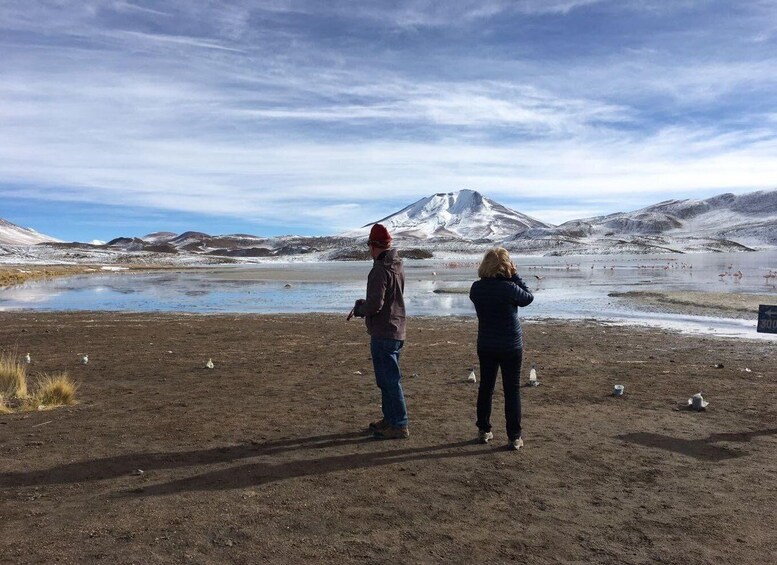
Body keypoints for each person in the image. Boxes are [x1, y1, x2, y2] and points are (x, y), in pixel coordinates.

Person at [469, 247, 534, 451]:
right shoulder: (508, 288)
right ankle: (514, 437)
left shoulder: (476, 288)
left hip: (486, 344)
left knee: (486, 387)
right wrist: (515, 276)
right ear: (506, 266)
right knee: (511, 390)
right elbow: (528, 298)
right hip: (510, 345)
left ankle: (484, 429)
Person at [350, 223, 408, 439]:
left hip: (384, 331)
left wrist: (360, 310)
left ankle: (399, 424)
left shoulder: (379, 269)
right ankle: (390, 418)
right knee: (387, 379)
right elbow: (389, 298)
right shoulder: (397, 265)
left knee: (389, 380)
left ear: (373, 246)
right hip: (397, 328)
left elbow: (376, 304)